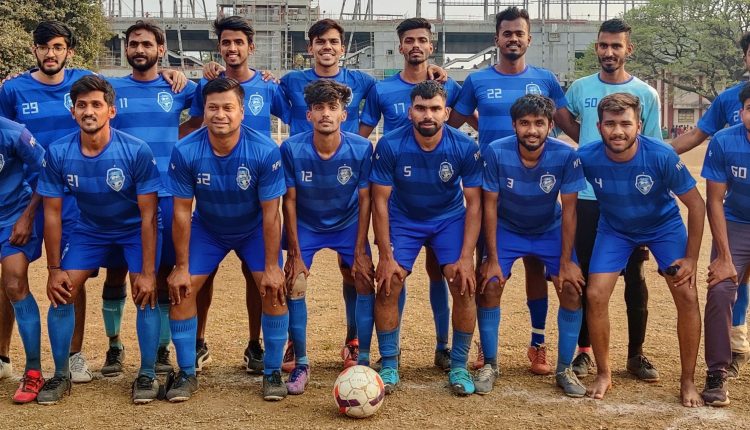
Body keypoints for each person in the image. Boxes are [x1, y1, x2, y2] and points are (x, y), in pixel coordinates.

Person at [0, 20, 186, 384]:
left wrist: (170, 72)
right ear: (34, 50)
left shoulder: (88, 80)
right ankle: (5, 354)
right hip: (39, 193)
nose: (50, 53)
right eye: (43, 47)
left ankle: (88, 356)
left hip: (96, 193)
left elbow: (137, 80)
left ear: (69, 51)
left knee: (121, 277)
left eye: (58, 47)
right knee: (19, 278)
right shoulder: (14, 89)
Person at [449, 6, 571, 375]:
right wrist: (483, 129)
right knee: (488, 271)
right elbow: (452, 122)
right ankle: (485, 350)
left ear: (528, 39)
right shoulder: (477, 80)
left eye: (519, 33)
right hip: (493, 187)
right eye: (507, 33)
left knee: (537, 268)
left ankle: (538, 343)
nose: (513, 39)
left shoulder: (546, 80)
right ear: (497, 39)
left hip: (536, 190)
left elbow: (566, 124)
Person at [36, 75, 163, 405]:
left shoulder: (135, 150)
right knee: (62, 292)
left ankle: (147, 374)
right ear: (73, 112)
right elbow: (52, 214)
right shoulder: (58, 152)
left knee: (145, 292)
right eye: (82, 105)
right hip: (90, 229)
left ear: (111, 111)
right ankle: (60, 374)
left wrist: (149, 272)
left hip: (134, 229)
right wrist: (53, 269)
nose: (88, 111)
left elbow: (149, 216)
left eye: (96, 104)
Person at [578, 92, 705, 407]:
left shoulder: (661, 155)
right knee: (595, 294)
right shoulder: (587, 157)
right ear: (599, 126)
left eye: (625, 123)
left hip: (663, 228)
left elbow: (696, 205)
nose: (617, 131)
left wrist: (691, 258)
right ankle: (604, 373)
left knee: (686, 294)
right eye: (610, 124)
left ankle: (687, 380)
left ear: (639, 125)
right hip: (615, 230)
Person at [166, 78, 287, 402]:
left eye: (228, 107)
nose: (220, 114)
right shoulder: (186, 149)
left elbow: (271, 214)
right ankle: (187, 372)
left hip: (253, 230)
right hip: (208, 230)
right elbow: (181, 211)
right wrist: (181, 266)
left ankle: (272, 372)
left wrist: (273, 266)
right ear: (204, 111)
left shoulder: (264, 149)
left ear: (242, 112)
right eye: (213, 107)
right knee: (182, 289)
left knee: (274, 288)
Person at [183, 15, 290, 376]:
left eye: (238, 42)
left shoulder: (267, 86)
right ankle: (197, 342)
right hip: (213, 190)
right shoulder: (207, 85)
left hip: (255, 191)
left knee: (258, 278)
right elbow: (194, 122)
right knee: (202, 277)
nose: (232, 48)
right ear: (219, 47)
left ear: (250, 47)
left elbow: (297, 116)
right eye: (226, 42)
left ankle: (255, 345)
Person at [558, 18, 662, 381]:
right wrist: (587, 140)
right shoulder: (580, 88)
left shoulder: (646, 94)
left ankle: (636, 354)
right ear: (596, 48)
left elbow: (652, 151)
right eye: (603, 45)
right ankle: (584, 351)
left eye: (616, 46)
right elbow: (565, 119)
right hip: (589, 195)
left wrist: (649, 209)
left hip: (630, 199)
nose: (609, 52)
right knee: (587, 274)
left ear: (628, 49)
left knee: (635, 276)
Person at [358, 17, 462, 371]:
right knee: (393, 277)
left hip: (443, 199)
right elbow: (362, 135)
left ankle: (444, 347)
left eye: (422, 40)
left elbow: (461, 125)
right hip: (400, 199)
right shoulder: (383, 90)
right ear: (400, 46)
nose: (416, 45)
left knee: (441, 272)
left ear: (431, 46)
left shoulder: (448, 85)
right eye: (409, 40)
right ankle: (393, 352)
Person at [100, 19, 198, 378]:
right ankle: (114, 345)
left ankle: (160, 349)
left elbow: (211, 101)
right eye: (133, 44)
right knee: (117, 272)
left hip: (167, 193)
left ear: (161, 49)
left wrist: (176, 136)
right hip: (121, 195)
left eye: (146, 44)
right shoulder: (111, 88)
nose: (139, 49)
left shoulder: (178, 87)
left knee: (163, 274)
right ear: (127, 49)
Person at [370, 80, 481, 395]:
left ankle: (458, 365)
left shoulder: (464, 146)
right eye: (420, 108)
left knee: (462, 282)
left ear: (446, 112)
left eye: (435, 108)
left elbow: (474, 204)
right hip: (404, 219)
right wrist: (386, 256)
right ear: (410, 112)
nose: (427, 115)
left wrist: (466, 258)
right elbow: (379, 202)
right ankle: (389, 363)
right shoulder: (390, 144)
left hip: (448, 219)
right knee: (389, 282)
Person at [478, 94, 586, 397]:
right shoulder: (496, 151)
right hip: (507, 227)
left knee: (570, 287)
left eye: (539, 123)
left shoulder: (566, 155)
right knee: (490, 284)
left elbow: (570, 211)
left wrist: (567, 261)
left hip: (548, 228)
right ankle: (490, 364)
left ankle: (564, 369)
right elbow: (489, 206)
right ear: (514, 125)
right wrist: (492, 258)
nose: (532, 130)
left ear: (551, 126)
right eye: (524, 123)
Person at [280, 79, 374, 394]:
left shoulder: (361, 148)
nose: (325, 114)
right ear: (308, 115)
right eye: (318, 108)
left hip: (347, 223)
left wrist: (360, 250)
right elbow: (289, 201)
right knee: (294, 282)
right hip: (307, 224)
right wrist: (294, 254)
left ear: (343, 114)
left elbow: (366, 200)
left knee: (362, 277)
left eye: (332, 107)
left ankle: (357, 349)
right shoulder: (291, 148)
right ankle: (301, 361)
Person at [672, 32, 750, 379]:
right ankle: (734, 346)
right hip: (737, 209)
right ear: (745, 57)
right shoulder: (728, 99)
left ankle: (738, 338)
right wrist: (657, 154)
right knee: (730, 276)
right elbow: (697, 134)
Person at [698, 82, 750, 406]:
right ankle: (716, 372)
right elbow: (714, 200)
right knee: (720, 289)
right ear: (741, 112)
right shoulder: (724, 140)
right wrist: (724, 257)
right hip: (737, 223)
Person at [0, 117, 45, 403]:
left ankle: (33, 371)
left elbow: (47, 169)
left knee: (14, 284)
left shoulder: (13, 133)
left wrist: (28, 216)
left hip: (13, 216)